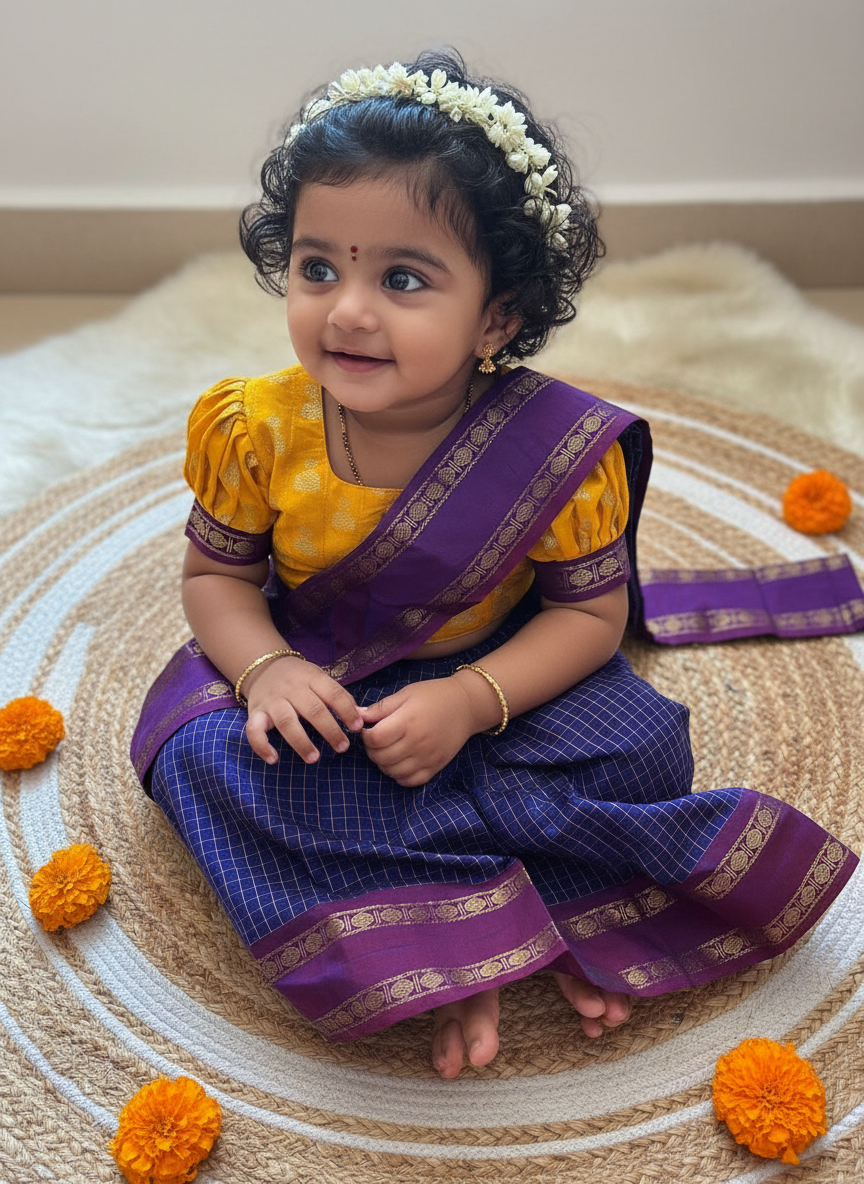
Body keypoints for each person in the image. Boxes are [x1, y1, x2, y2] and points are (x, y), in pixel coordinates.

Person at [131, 50, 857, 1080]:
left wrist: (469, 703)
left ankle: (445, 907)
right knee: (199, 757)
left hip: (502, 681)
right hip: (321, 676)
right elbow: (217, 582)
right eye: (318, 268)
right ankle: (485, 922)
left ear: (499, 316)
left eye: (403, 279)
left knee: (641, 748)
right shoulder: (254, 427)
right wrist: (266, 670)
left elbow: (591, 620)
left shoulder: (557, 453)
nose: (347, 310)